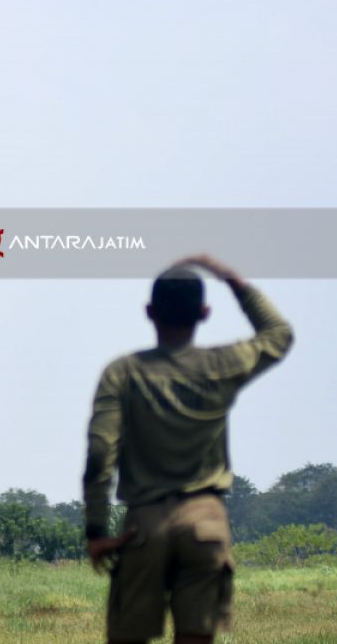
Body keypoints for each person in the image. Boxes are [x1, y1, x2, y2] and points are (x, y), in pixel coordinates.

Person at [83, 255, 294, 644]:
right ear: (204, 312)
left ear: (149, 312)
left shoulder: (123, 372)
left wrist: (96, 530)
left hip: (143, 524)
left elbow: (101, 452)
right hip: (206, 521)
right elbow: (278, 334)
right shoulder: (223, 364)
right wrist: (231, 278)